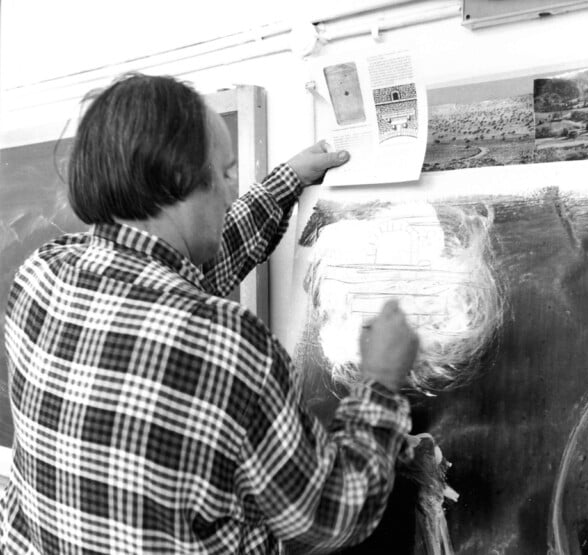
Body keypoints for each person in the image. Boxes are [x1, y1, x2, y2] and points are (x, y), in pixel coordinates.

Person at [0, 73, 419, 554]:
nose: (229, 191)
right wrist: (380, 383)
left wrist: (288, 181)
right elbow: (329, 514)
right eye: (224, 174)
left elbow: (177, 272)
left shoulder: (44, 273)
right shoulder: (227, 344)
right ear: (180, 180)